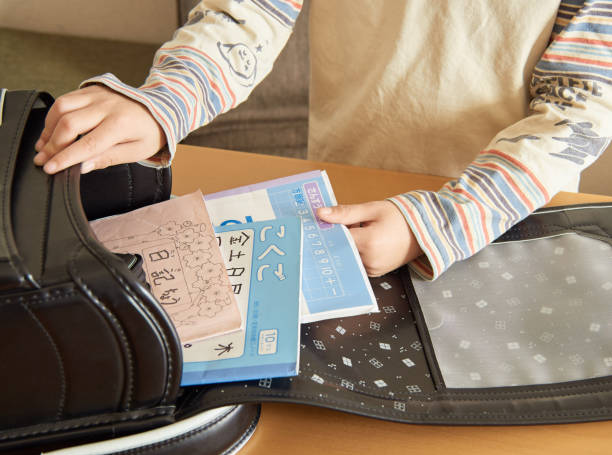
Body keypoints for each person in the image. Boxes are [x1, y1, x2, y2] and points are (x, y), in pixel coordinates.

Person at [33, 1, 612, 280]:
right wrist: (165, 101)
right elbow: (248, 14)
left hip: (505, 215)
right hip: (350, 193)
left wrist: (437, 222)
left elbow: (578, 112)